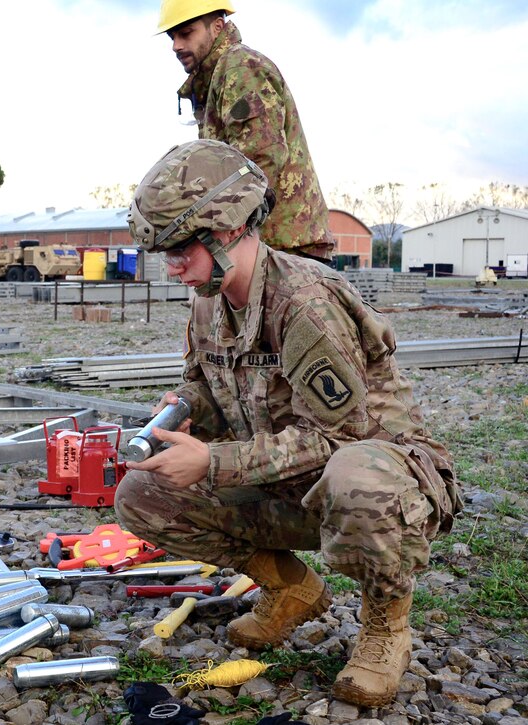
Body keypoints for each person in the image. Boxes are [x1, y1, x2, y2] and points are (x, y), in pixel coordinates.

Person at [117, 140, 461, 708]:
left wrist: (214, 460)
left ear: (226, 231)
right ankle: (290, 589)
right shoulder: (208, 298)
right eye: (162, 251)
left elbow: (342, 436)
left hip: (377, 483)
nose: (171, 265)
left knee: (360, 475)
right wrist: (175, 411)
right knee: (142, 494)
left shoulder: (304, 301)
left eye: (180, 248)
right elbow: (202, 382)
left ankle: (384, 626)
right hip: (288, 480)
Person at [158, 0, 335, 262]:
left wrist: (222, 235)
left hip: (284, 245)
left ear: (217, 26)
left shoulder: (240, 68)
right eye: (172, 36)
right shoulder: (215, 79)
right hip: (267, 243)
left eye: (186, 33)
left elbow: (259, 160)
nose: (176, 45)